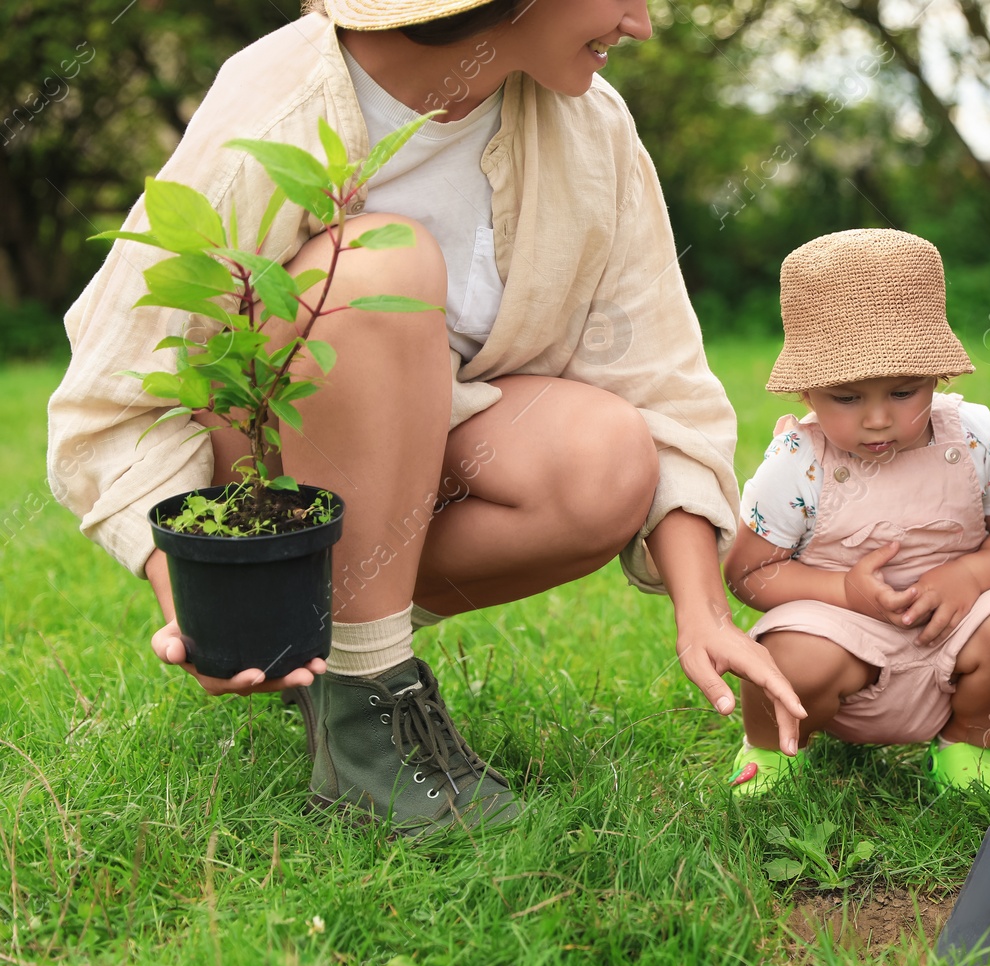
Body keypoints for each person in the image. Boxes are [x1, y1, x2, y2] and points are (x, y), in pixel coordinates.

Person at [46, 0, 804, 836]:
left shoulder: (592, 127)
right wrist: (196, 594)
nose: (641, 23)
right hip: (268, 482)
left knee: (609, 460)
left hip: (417, 477)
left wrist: (701, 608)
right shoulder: (281, 98)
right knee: (380, 265)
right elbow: (112, 400)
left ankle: (329, 661)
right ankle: (366, 710)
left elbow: (659, 379)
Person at [722, 229, 990, 797]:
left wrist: (971, 575)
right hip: (840, 640)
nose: (878, 419)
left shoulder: (975, 437)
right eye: (848, 398)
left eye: (904, 392)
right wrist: (845, 594)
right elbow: (749, 572)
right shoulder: (797, 460)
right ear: (806, 394)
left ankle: (967, 749)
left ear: (939, 375)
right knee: (787, 658)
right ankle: (775, 750)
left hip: (954, 634)